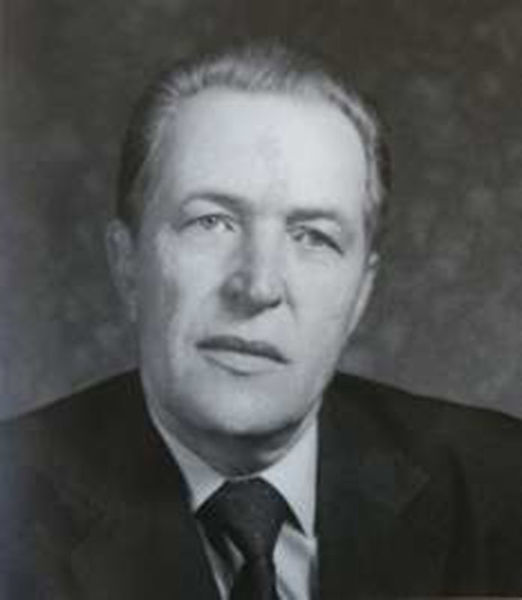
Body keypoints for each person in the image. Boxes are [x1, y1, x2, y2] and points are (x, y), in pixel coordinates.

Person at [1, 40, 522, 600]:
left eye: (313, 237)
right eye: (212, 222)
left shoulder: (501, 486)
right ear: (128, 263)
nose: (258, 286)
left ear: (362, 291)